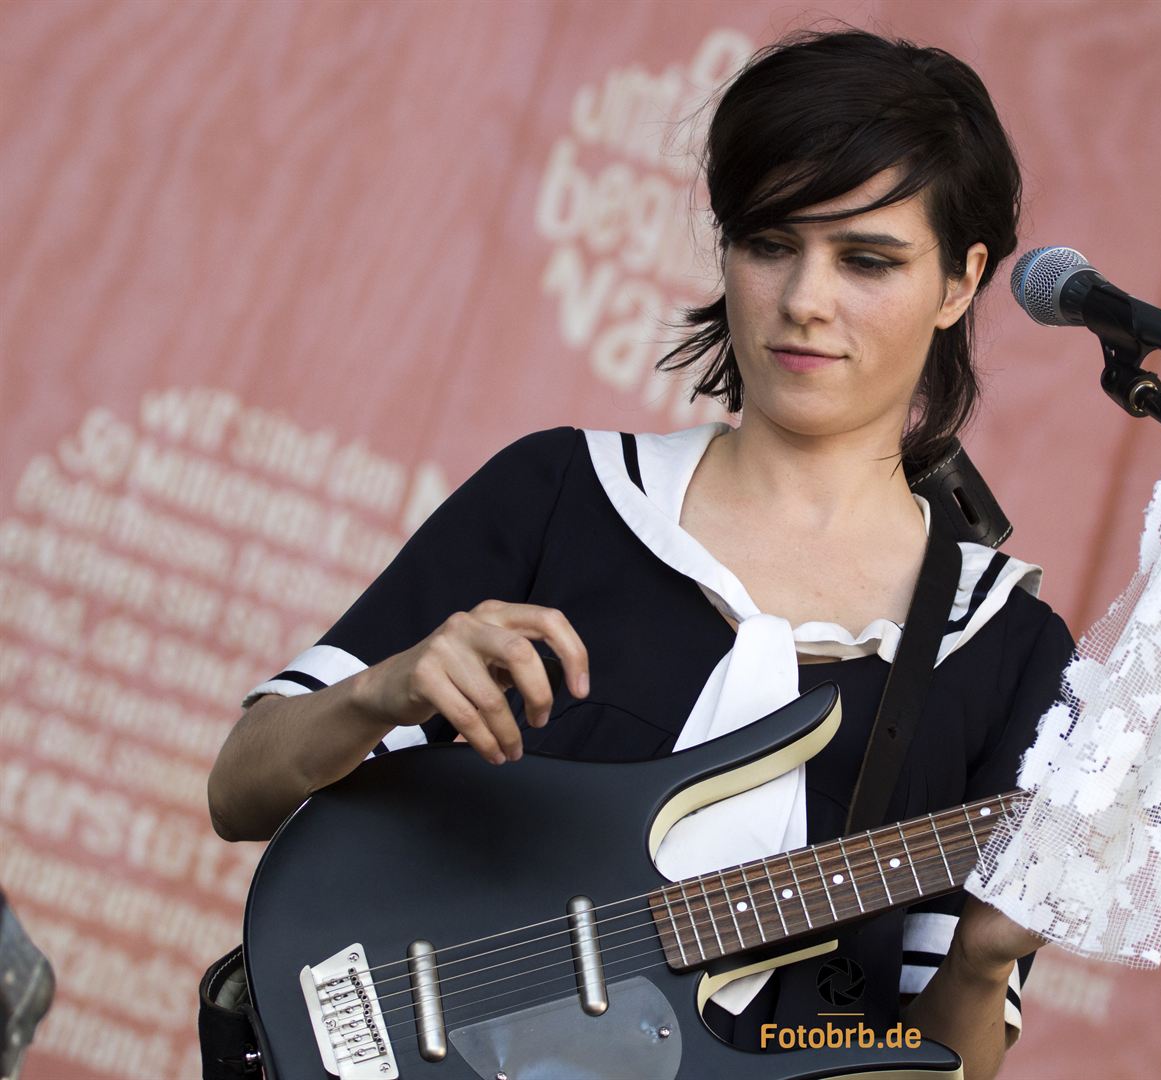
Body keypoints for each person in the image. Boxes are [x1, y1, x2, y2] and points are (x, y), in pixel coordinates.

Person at [208, 28, 1074, 1079]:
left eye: (867, 260)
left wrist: (983, 964)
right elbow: (240, 791)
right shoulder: (564, 492)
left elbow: (925, 1062)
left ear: (959, 282)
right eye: (770, 243)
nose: (805, 300)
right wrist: (377, 692)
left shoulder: (1006, 647)